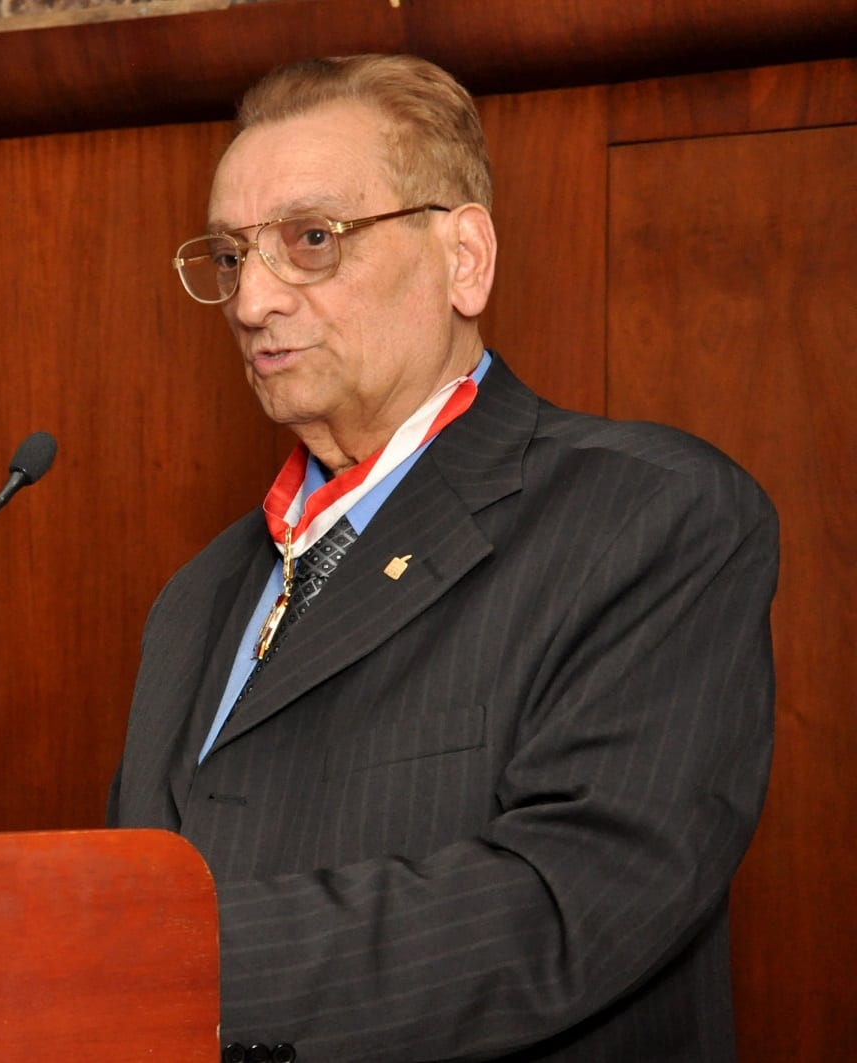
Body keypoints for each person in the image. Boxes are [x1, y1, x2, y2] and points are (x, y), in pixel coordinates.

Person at [106, 54, 777, 1061]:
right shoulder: (197, 597)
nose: (251, 302)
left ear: (464, 256)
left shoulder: (647, 515)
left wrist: (146, 956)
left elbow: (568, 900)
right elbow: (143, 885)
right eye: (233, 255)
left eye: (312, 239)